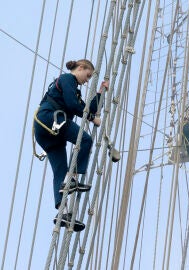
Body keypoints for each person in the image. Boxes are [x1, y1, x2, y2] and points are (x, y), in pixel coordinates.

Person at [34, 59, 108, 231]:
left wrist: (101, 92)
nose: (87, 80)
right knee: (86, 140)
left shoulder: (74, 90)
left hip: (49, 132)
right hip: (50, 118)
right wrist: (91, 118)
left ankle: (63, 214)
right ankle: (73, 179)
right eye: (88, 75)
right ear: (80, 68)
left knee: (60, 169)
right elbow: (72, 105)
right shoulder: (68, 79)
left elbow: (86, 108)